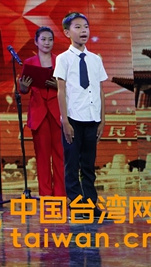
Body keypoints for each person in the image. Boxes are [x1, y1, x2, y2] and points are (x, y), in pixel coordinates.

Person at [54, 12, 107, 212]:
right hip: (73, 118)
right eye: (77, 27)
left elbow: (100, 90)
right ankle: (76, 203)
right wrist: (65, 121)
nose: (83, 30)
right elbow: (61, 90)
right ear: (67, 32)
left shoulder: (95, 59)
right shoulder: (63, 59)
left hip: (92, 118)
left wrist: (102, 120)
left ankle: (91, 203)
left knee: (88, 164)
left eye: (86, 26)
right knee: (72, 164)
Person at [17, 26, 65, 197]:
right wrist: (23, 87)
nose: (47, 42)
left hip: (58, 112)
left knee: (60, 155)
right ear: (36, 42)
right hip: (39, 113)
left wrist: (59, 86)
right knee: (42, 156)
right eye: (43, 39)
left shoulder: (60, 61)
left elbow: (70, 87)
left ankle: (60, 194)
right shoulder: (29, 62)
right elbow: (23, 90)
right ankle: (46, 194)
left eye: (50, 39)